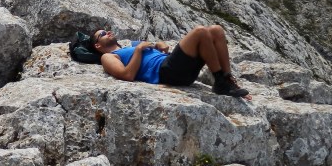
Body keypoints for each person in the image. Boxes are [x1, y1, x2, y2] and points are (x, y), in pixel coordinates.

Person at [91, 24, 250, 97]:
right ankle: (220, 81)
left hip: (173, 66)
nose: (108, 32)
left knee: (216, 30)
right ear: (97, 45)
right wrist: (139, 50)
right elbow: (127, 75)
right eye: (103, 33)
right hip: (165, 72)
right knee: (200, 32)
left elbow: (155, 48)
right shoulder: (108, 56)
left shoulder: (129, 44)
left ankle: (228, 80)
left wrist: (158, 45)